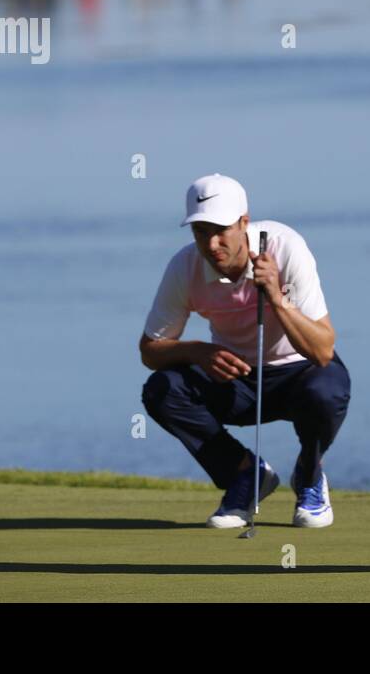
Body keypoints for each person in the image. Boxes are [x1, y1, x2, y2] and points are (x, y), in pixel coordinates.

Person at [139, 174, 350, 529]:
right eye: (201, 232)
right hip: (235, 379)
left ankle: (310, 475)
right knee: (162, 390)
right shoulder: (184, 266)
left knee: (328, 389)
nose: (212, 243)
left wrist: (277, 300)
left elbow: (323, 350)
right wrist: (198, 352)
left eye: (221, 229)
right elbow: (150, 351)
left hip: (298, 374)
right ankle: (244, 474)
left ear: (244, 223)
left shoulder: (285, 247)